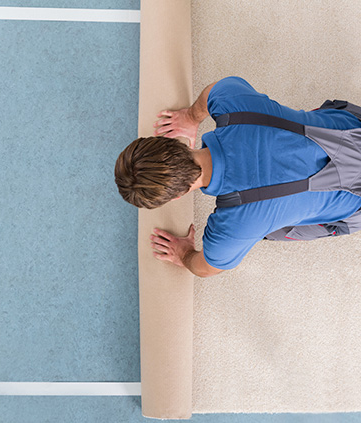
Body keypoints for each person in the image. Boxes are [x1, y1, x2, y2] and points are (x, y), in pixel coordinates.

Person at [114, 77, 361, 278]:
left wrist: (184, 254)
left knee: (272, 231)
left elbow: (206, 268)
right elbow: (213, 91)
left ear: (177, 195)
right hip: (356, 126)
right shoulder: (234, 105)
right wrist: (190, 117)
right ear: (175, 145)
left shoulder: (232, 226)